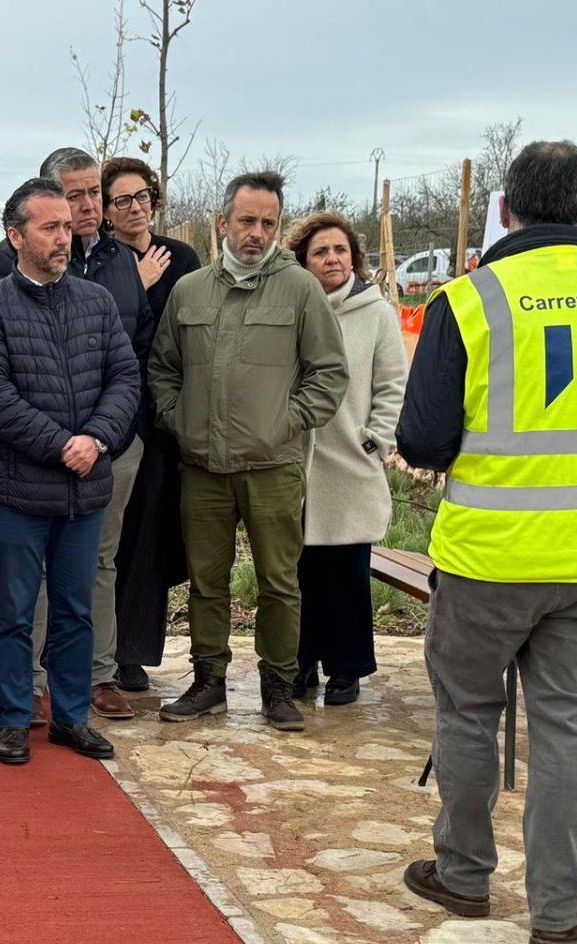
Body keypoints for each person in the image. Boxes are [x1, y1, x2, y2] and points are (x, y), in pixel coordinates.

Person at [397, 141, 577, 944]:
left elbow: (422, 439)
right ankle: (559, 912)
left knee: (469, 717)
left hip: (486, 555)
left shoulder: (470, 299)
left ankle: (465, 873)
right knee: (564, 727)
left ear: (507, 209)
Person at [150, 171, 348, 731]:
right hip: (203, 470)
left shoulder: (300, 289)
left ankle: (278, 688)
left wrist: (287, 422)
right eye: (246, 221)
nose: (256, 233)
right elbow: (162, 368)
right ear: (223, 224)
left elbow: (329, 373)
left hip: (273, 469)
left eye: (267, 223)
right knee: (205, 580)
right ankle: (209, 680)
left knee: (279, 583)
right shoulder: (190, 291)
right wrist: (179, 421)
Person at [0, 177, 139, 764]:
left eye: (67, 226)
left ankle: (70, 717)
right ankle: (14, 718)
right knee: (15, 612)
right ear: (15, 236)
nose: (64, 237)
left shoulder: (96, 302)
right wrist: (63, 443)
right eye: (49, 227)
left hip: (84, 490)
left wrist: (96, 438)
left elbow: (125, 378)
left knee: (75, 610)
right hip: (18, 493)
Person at [284, 211, 406, 706]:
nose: (332, 259)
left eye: (339, 250)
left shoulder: (375, 313)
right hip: (294, 462)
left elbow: (392, 384)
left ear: (353, 257)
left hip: (348, 464)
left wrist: (376, 440)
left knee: (346, 574)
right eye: (320, 252)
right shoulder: (293, 308)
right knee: (295, 572)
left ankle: (346, 668)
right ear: (303, 262)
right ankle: (298, 662)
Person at [100, 156, 200, 694]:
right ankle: (102, 648)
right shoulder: (101, 259)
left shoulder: (182, 257)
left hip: (169, 417)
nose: (135, 207)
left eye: (142, 196)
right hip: (118, 412)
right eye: (122, 200)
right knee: (112, 537)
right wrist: (134, 284)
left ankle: (135, 651)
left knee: (150, 538)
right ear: (107, 211)